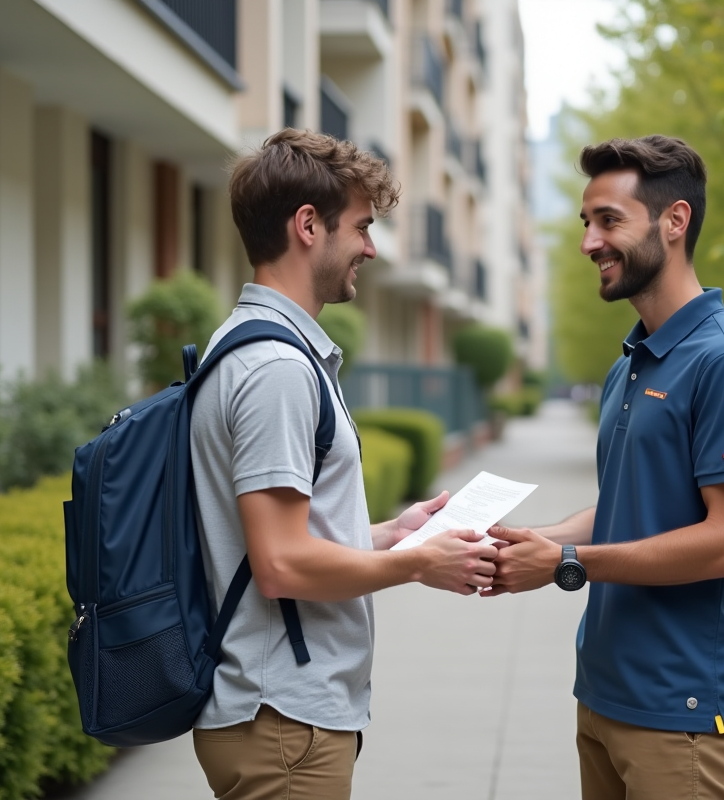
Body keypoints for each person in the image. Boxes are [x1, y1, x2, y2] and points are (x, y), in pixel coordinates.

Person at [190, 129, 498, 800]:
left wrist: (391, 533)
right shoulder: (276, 369)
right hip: (284, 721)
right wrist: (418, 563)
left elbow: (282, 539)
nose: (370, 247)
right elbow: (281, 565)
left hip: (281, 716)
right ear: (307, 226)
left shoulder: (262, 349)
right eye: (361, 227)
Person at [486, 135, 724, 800]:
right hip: (604, 695)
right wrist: (536, 542)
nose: (590, 242)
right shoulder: (631, 364)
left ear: (674, 222)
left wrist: (568, 563)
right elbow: (625, 505)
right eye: (587, 223)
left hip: (681, 712)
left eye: (610, 221)